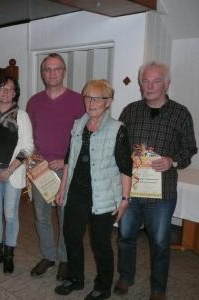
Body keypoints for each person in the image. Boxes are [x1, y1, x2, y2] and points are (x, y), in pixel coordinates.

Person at [115, 61, 197, 300]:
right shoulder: (130, 111)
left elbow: (190, 148)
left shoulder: (180, 113)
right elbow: (119, 146)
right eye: (145, 81)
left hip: (163, 191)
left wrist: (172, 160)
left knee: (160, 242)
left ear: (167, 83)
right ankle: (125, 276)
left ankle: (158, 288)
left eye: (156, 80)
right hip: (131, 188)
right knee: (126, 236)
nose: (149, 86)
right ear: (140, 84)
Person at [54, 80, 132, 300]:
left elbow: (126, 167)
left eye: (98, 98)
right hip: (76, 192)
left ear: (108, 102)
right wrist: (63, 188)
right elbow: (70, 158)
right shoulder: (79, 124)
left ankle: (103, 286)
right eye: (88, 97)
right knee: (71, 237)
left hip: (103, 195)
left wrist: (125, 199)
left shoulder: (118, 129)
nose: (92, 102)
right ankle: (76, 278)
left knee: (100, 244)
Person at [26, 53, 85, 281]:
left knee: (65, 216)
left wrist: (66, 160)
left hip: (65, 167)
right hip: (40, 168)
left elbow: (83, 138)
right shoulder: (34, 101)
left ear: (64, 71)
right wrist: (33, 160)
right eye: (47, 69)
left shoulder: (78, 101)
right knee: (41, 215)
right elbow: (30, 135)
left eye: (56, 68)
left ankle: (65, 259)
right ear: (42, 74)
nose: (52, 73)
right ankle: (48, 256)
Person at [0, 76, 34, 273]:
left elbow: (28, 147)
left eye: (10, 89)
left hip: (12, 173)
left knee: (10, 214)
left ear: (15, 93)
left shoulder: (22, 116)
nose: (5, 92)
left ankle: (9, 254)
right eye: (1, 88)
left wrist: (9, 170)